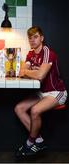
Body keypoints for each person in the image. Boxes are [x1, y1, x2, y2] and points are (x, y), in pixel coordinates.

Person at [14, 26, 68, 157]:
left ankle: (29, 142)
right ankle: (39, 141)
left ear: (42, 38)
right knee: (19, 108)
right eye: (30, 38)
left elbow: (40, 76)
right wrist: (31, 72)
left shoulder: (47, 52)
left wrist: (30, 72)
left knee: (35, 110)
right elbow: (21, 72)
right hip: (42, 93)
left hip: (56, 92)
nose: (32, 40)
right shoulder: (30, 54)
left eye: (35, 37)